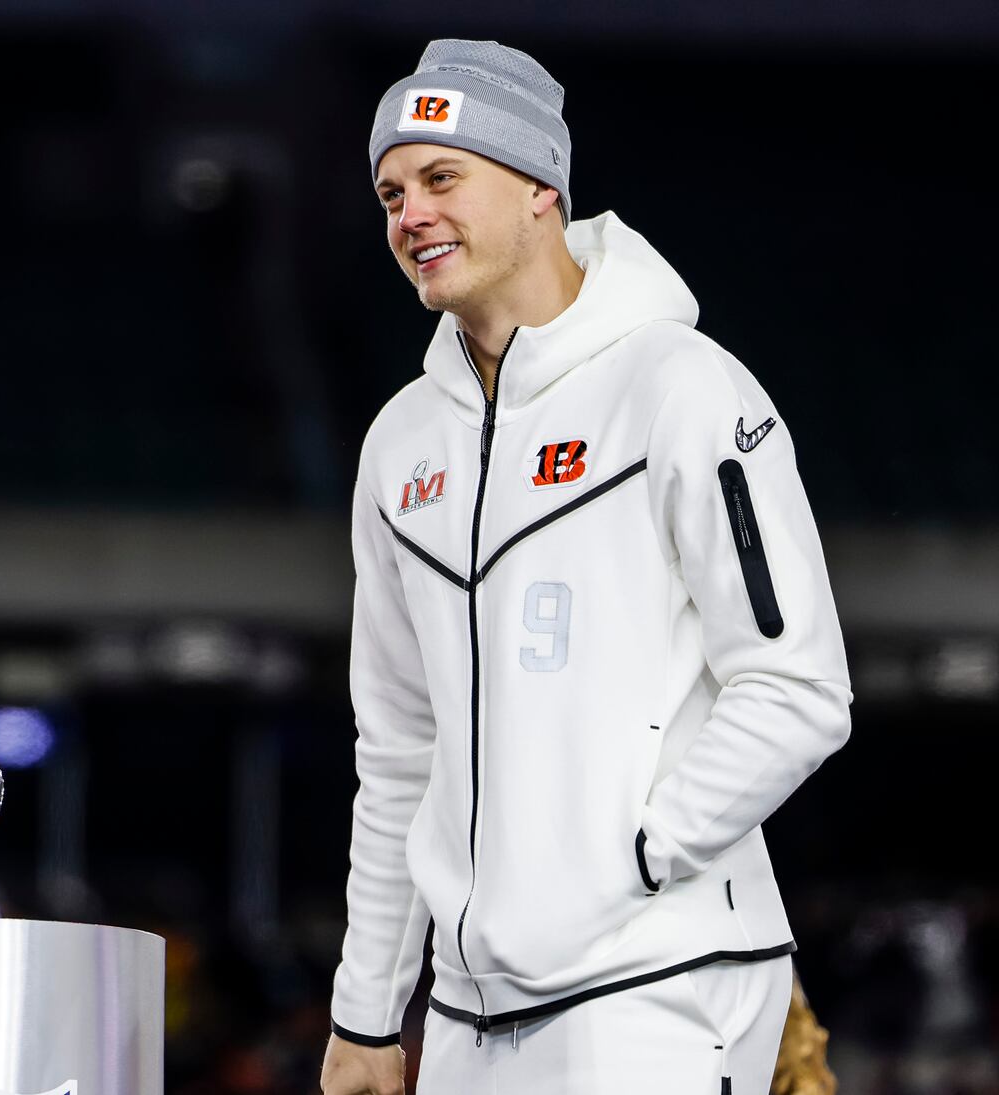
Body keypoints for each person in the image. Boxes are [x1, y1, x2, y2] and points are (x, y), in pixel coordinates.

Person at [320, 39, 852, 1095]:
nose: (408, 215)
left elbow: (797, 689)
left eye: (440, 178)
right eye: (389, 194)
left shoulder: (681, 388)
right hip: (467, 1013)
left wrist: (632, 862)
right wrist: (367, 1015)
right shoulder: (398, 446)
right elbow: (398, 753)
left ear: (538, 190)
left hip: (657, 980)